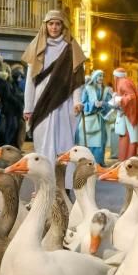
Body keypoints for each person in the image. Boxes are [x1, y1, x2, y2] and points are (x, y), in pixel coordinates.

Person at [22, 10, 85, 166]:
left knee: (64, 141)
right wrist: (28, 108)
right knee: (41, 139)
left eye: (58, 24)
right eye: (51, 24)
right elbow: (30, 80)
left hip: (64, 101)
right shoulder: (36, 46)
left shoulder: (71, 47)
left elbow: (77, 79)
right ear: (46, 25)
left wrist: (77, 101)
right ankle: (43, 182)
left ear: (62, 26)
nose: (54, 27)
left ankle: (63, 183)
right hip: (41, 100)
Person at [78, 69, 112, 164]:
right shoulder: (87, 88)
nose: (101, 78)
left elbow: (110, 104)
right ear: (94, 77)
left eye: (102, 76)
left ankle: (98, 162)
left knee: (100, 142)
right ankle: (87, 162)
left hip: (100, 119)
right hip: (89, 119)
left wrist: (103, 104)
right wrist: (93, 104)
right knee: (88, 141)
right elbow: (83, 104)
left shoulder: (106, 90)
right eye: (99, 76)